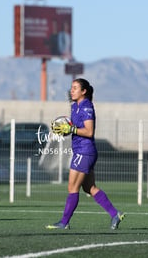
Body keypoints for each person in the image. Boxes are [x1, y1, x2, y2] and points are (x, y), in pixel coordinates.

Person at [46, 78, 125, 230]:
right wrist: (65, 130)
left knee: (72, 188)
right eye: (71, 87)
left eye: (75, 88)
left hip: (85, 151)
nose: (72, 90)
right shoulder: (74, 106)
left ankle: (64, 222)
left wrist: (71, 129)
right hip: (81, 151)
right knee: (90, 188)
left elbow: (89, 131)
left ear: (84, 91)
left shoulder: (87, 106)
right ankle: (115, 214)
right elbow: (74, 128)